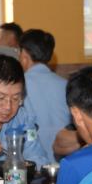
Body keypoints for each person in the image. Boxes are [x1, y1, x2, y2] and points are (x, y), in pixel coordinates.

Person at [18, 28, 76, 158]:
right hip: (64, 158)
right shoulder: (65, 85)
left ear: (24, 56)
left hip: (32, 162)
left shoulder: (18, 87)